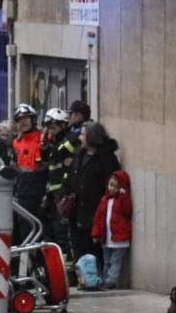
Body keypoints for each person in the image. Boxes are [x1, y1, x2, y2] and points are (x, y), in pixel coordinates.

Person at [67, 122, 120, 265]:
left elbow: (111, 182)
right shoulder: (79, 154)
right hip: (77, 210)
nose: (80, 138)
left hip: (95, 210)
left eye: (83, 135)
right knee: (78, 246)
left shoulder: (107, 159)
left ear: (92, 137)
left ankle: (94, 273)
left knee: (94, 248)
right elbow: (71, 176)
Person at [40, 107, 77, 249]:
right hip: (53, 194)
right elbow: (48, 162)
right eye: (48, 128)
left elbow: (61, 155)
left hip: (63, 194)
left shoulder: (70, 140)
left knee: (63, 234)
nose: (50, 131)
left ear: (62, 125)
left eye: (53, 127)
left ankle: (67, 262)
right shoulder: (54, 142)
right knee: (51, 232)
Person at [91, 169, 133, 290]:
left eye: (115, 186)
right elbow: (98, 218)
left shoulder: (123, 199)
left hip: (120, 239)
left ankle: (111, 281)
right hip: (106, 238)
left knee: (115, 261)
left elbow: (127, 211)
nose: (112, 188)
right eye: (110, 185)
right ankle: (105, 280)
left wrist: (123, 196)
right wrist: (96, 234)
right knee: (107, 261)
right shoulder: (105, 200)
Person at [9, 104, 45, 244]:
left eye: (25, 118)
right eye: (19, 120)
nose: (22, 122)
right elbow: (14, 169)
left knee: (42, 230)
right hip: (23, 192)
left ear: (33, 119)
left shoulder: (42, 139)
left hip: (41, 192)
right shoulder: (16, 142)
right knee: (24, 229)